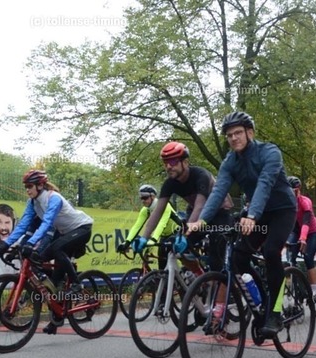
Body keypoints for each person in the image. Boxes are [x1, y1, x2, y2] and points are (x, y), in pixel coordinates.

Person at [187, 111, 297, 338]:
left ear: (250, 133)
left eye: (238, 133)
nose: (233, 138)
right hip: (258, 214)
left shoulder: (270, 152)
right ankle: (264, 300)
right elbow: (218, 191)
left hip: (282, 210)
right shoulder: (230, 161)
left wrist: (252, 215)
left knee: (271, 252)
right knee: (238, 258)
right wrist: (201, 221)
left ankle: (275, 312)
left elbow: (265, 183)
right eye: (229, 135)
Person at [0, 169, 94, 334]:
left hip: (82, 228)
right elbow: (24, 225)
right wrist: (6, 244)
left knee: (57, 248)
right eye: (25, 186)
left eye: (30, 186)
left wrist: (31, 243)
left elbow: (47, 223)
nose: (27, 190)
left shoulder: (54, 198)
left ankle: (76, 284)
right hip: (65, 233)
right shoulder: (33, 202)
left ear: (40, 185)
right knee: (40, 262)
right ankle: (57, 316)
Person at [131, 141, 233, 277]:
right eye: (165, 163)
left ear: (185, 162)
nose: (168, 166)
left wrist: (185, 234)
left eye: (173, 161)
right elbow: (158, 211)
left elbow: (200, 205)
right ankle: (200, 276)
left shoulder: (201, 175)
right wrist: (144, 237)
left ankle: (220, 285)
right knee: (177, 248)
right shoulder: (170, 183)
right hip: (195, 212)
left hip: (220, 212)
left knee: (217, 261)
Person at [116, 184, 179, 270]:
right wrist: (127, 242)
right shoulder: (145, 210)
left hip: (177, 232)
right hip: (164, 235)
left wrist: (153, 239)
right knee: (162, 266)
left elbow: (162, 224)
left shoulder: (165, 205)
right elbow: (137, 226)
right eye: (141, 198)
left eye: (145, 198)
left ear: (152, 197)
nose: (143, 201)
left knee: (182, 258)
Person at [286, 176, 316, 302]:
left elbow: (306, 222)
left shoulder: (305, 201)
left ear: (298, 190)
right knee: (291, 258)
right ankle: (297, 286)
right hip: (296, 231)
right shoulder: (285, 203)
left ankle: (315, 289)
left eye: (294, 191)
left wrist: (303, 238)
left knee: (308, 258)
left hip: (312, 231)